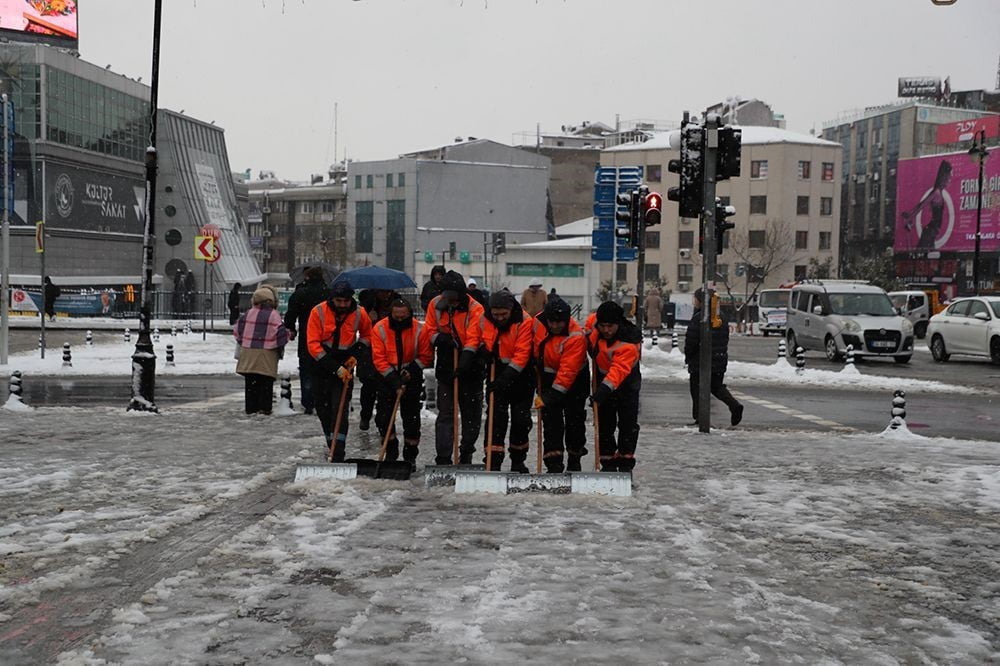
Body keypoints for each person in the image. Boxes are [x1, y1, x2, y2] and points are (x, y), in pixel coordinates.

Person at [306, 280, 373, 461]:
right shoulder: (318, 312)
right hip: (322, 365)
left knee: (340, 409)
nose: (343, 305)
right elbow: (312, 344)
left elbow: (368, 335)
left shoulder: (360, 313)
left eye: (346, 301)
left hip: (346, 363)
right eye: (339, 301)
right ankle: (331, 443)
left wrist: (357, 353)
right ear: (332, 299)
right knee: (323, 410)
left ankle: (338, 452)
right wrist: (335, 368)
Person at [424, 270, 485, 465]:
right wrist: (440, 339)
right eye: (447, 297)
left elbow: (474, 338)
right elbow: (429, 329)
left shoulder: (476, 309)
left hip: (471, 364)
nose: (450, 302)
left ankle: (466, 451)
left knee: (471, 414)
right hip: (446, 362)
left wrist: (465, 362)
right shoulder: (436, 305)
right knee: (446, 414)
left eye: (453, 298)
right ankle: (443, 456)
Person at [371, 298, 433, 469]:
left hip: (411, 376)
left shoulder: (420, 329)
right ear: (390, 314)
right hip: (386, 376)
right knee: (384, 418)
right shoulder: (380, 329)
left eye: (403, 317)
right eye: (396, 317)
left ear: (409, 315)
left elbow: (426, 355)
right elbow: (379, 359)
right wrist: (393, 379)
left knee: (411, 420)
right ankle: (391, 451)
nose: (399, 320)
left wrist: (411, 370)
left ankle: (410, 456)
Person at [480, 290, 538, 473]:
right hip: (495, 370)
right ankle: (493, 460)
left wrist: (504, 380)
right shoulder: (485, 318)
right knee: (496, 419)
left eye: (503, 315)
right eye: (496, 315)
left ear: (511, 309)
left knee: (521, 419)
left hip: (521, 375)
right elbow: (479, 337)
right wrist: (482, 351)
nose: (499, 318)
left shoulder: (525, 321)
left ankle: (518, 460)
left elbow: (522, 355)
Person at [532, 298, 589, 472]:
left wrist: (548, 398)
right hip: (548, 378)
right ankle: (554, 463)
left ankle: (574, 457)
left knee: (574, 421)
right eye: (552, 322)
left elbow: (567, 372)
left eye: (560, 322)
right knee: (551, 423)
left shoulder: (575, 336)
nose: (555, 326)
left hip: (575, 381)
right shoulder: (537, 324)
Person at [587, 301, 642, 472]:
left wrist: (601, 391)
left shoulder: (629, 342)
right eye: (602, 326)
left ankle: (625, 463)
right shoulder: (594, 326)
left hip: (627, 383)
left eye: (610, 326)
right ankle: (608, 463)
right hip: (603, 379)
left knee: (627, 424)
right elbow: (587, 330)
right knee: (604, 424)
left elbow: (618, 371)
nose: (606, 330)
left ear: (618, 323)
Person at [685, 288, 743, 427]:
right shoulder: (720, 317)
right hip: (719, 358)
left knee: (696, 387)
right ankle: (734, 405)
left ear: (701, 301)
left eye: (695, 299)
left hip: (701, 361)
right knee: (716, 387)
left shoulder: (700, 318)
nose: (694, 301)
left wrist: (688, 357)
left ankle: (700, 418)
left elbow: (691, 341)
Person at [233, 285, 288, 415]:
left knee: (251, 384)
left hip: (248, 353)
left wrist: (246, 342)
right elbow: (280, 335)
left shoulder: (248, 313)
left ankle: (250, 409)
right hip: (267, 355)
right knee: (265, 384)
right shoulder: (273, 315)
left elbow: (237, 331)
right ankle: (264, 409)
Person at [283, 267, 329, 415]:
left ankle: (308, 401)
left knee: (307, 369)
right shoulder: (328, 293)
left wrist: (292, 329)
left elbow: (290, 316)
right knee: (325, 368)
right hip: (327, 337)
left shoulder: (301, 293)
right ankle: (324, 399)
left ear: (307, 277)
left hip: (307, 335)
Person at [358, 288, 401, 430]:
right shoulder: (368, 305)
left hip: (389, 350)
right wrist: (370, 318)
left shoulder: (397, 304)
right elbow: (363, 329)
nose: (386, 295)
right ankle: (365, 415)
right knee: (368, 388)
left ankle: (384, 420)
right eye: (382, 292)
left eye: (388, 292)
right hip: (370, 351)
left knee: (386, 390)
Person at [902, 160, 952, 250]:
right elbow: (922, 205)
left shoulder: (938, 192)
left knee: (923, 256)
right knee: (920, 256)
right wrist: (910, 217)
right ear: (943, 177)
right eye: (949, 178)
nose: (949, 181)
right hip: (930, 232)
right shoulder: (936, 193)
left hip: (931, 232)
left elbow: (921, 205)